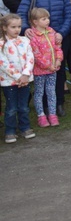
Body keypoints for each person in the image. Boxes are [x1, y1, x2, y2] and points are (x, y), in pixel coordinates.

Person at [17, 0, 71, 117]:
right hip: (38, 40)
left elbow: (69, 15)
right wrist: (25, 28)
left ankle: (58, 103)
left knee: (59, 69)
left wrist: (61, 33)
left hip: (57, 38)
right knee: (40, 72)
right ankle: (42, 105)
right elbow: (22, 12)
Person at [0, 14, 35, 143]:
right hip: (9, 82)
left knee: (24, 106)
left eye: (19, 26)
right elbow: (3, 63)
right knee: (11, 107)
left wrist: (25, 75)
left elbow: (30, 58)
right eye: (13, 27)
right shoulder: (2, 44)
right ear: (4, 28)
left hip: (25, 80)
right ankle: (10, 131)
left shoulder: (25, 40)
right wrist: (18, 77)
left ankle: (25, 128)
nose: (17, 29)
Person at [27, 8, 63, 128]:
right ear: (35, 22)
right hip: (40, 71)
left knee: (51, 92)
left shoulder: (51, 32)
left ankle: (52, 114)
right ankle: (41, 116)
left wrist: (58, 60)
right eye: (44, 19)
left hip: (53, 69)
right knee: (39, 92)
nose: (47, 21)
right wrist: (48, 65)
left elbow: (58, 47)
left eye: (47, 18)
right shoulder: (33, 36)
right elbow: (36, 55)